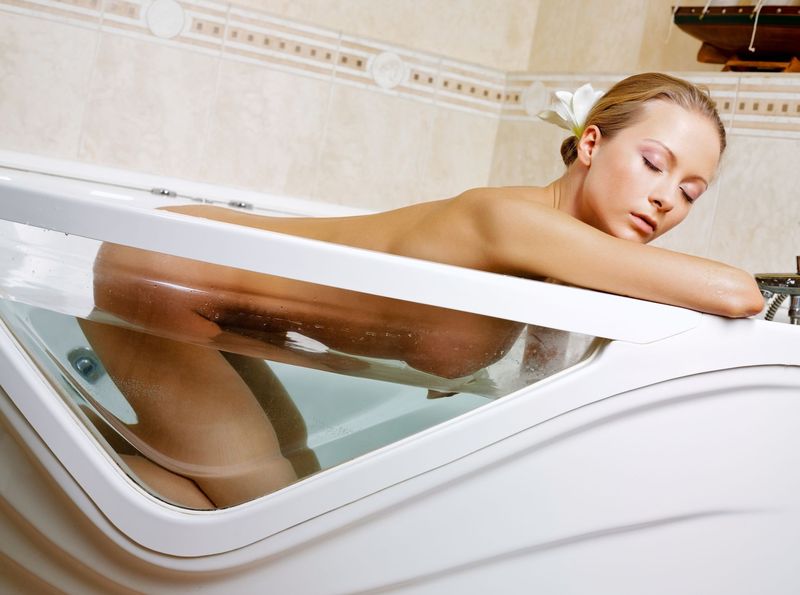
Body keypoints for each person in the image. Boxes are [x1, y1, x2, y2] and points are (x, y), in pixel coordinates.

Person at [78, 72, 764, 509]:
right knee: (270, 521)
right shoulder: (513, 221)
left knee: (288, 490)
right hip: (165, 270)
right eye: (653, 163)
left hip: (211, 297)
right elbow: (737, 292)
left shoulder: (561, 260)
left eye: (689, 191)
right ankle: (49, 487)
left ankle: (70, 483)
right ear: (589, 145)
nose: (665, 199)